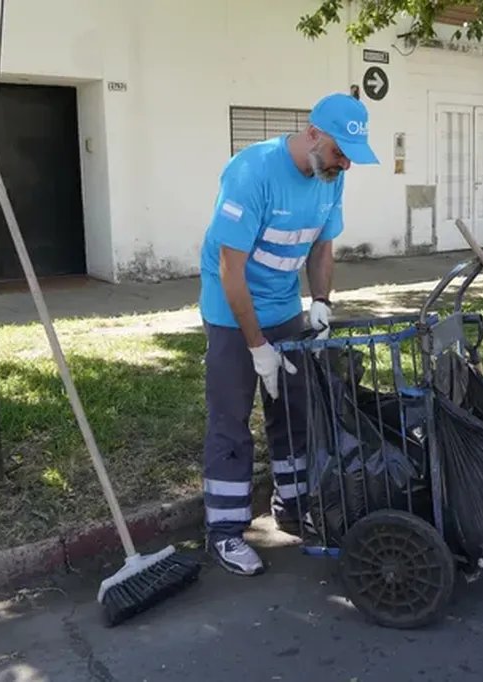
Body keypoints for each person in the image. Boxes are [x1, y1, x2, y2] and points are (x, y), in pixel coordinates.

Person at [196, 92, 379, 576]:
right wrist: (256, 347)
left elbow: (322, 246)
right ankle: (225, 531)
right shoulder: (251, 172)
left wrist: (320, 302)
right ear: (313, 134)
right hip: (231, 312)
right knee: (231, 418)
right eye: (341, 153)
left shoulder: (329, 178)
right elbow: (229, 269)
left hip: (284, 309)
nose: (345, 165)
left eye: (350, 158)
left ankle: (292, 508)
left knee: (293, 411)